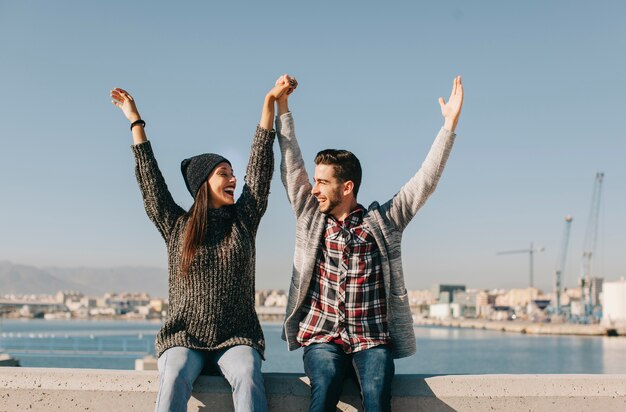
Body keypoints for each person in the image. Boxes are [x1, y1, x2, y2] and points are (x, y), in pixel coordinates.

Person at [275, 75, 464, 411]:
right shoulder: (311, 216)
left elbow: (424, 181)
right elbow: (291, 166)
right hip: (322, 338)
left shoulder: (383, 223)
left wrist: (448, 126)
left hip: (371, 340)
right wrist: (283, 107)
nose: (314, 188)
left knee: (376, 396)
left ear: (346, 187)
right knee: (327, 380)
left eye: (322, 182)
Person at [109, 75, 294, 412]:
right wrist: (135, 120)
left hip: (236, 338)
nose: (234, 179)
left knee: (249, 373)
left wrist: (268, 104)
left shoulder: (244, 219)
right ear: (203, 184)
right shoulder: (176, 225)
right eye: (224, 173)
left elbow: (260, 167)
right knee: (174, 374)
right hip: (184, 339)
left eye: (232, 172)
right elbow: (150, 180)